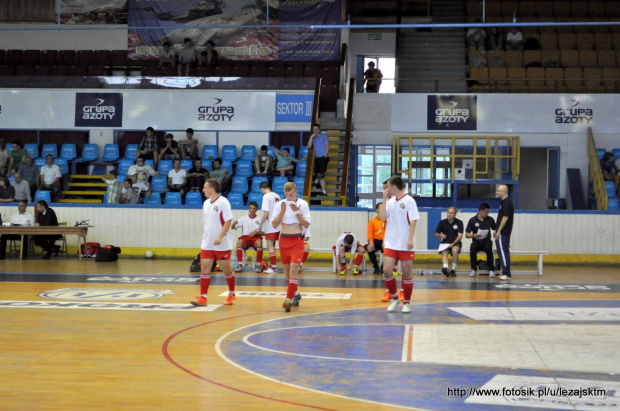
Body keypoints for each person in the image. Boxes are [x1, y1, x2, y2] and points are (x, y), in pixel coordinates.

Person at [190, 178, 236, 307]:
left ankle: (232, 293)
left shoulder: (223, 202)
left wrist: (220, 237)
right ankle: (203, 297)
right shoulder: (205, 203)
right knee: (205, 268)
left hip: (222, 243)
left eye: (205, 187)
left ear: (212, 189)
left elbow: (228, 221)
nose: (203, 189)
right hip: (207, 242)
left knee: (226, 269)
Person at [378, 176, 420, 313]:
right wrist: (384, 199)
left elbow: (414, 220)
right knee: (386, 270)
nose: (386, 189)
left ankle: (407, 302)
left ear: (394, 187)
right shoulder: (390, 201)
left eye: (388, 186)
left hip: (404, 243)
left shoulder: (409, 201)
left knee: (407, 273)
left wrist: (410, 239)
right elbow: (383, 217)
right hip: (391, 242)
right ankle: (394, 298)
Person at [272, 182, 310, 312]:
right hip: (284, 240)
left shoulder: (303, 204)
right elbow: (274, 224)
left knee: (294, 271)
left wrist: (297, 212)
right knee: (287, 274)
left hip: (297, 240)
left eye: (292, 195)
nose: (289, 198)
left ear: (296, 192)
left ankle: (288, 299)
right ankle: (296, 294)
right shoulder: (279, 204)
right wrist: (282, 211)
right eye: (287, 196)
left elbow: (306, 224)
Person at [231, 201, 264, 272]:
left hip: (256, 238)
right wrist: (233, 224)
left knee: (259, 242)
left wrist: (257, 232)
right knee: (239, 242)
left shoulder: (260, 219)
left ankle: (258, 265)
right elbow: (233, 227)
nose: (252, 210)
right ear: (248, 209)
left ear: (256, 210)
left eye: (254, 208)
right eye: (251, 208)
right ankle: (240, 265)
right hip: (245, 238)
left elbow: (265, 233)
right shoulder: (243, 218)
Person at [466, 202, 496, 278]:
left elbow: (496, 229)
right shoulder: (472, 220)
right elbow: (467, 234)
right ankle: (473, 269)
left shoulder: (490, 219)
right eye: (486, 212)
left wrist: (496, 232)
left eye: (488, 212)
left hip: (486, 241)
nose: (487, 213)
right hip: (476, 241)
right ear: (481, 211)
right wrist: (473, 235)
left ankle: (491, 270)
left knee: (489, 249)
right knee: (472, 248)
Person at [258, 181, 281, 274]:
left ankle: (274, 268)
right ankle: (273, 265)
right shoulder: (277, 195)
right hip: (277, 223)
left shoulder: (266, 196)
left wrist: (261, 223)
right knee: (273, 245)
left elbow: (266, 212)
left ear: (262, 188)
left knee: (270, 245)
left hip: (270, 224)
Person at [434, 206, 464, 277]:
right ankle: (446, 269)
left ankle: (453, 269)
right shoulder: (442, 222)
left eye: (451, 213)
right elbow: (436, 234)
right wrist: (440, 235)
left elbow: (460, 235)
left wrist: (453, 243)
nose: (449, 214)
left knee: (455, 250)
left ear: (455, 214)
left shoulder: (459, 222)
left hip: (455, 242)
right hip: (445, 242)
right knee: (444, 251)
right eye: (448, 212)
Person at [495, 185, 515, 281]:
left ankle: (506, 273)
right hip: (503, 232)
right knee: (502, 251)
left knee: (503, 252)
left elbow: (505, 218)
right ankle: (506, 272)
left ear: (504, 192)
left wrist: (499, 231)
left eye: (499, 191)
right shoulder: (503, 202)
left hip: (504, 232)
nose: (497, 192)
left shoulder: (507, 203)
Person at [308, 123, 329, 195]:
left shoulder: (324, 136)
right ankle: (324, 191)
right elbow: (309, 146)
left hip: (323, 157)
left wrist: (325, 156)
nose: (315, 131)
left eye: (317, 129)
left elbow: (327, 146)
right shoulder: (313, 137)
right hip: (317, 158)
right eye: (314, 129)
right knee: (321, 175)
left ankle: (316, 181)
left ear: (319, 130)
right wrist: (311, 137)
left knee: (320, 173)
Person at [367, 202, 386, 275]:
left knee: (387, 250)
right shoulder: (372, 221)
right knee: (369, 248)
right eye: (381, 207)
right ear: (377, 210)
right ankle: (376, 267)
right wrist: (371, 242)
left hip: (384, 240)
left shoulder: (386, 220)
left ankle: (382, 268)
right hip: (375, 240)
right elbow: (369, 233)